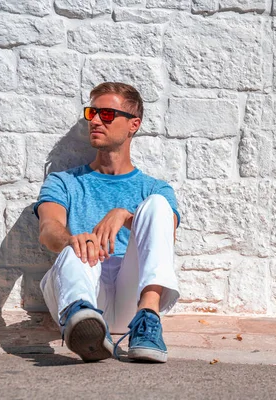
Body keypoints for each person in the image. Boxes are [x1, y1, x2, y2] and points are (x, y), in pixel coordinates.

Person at [34, 82, 180, 363]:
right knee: (75, 248)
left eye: (108, 114)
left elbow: (166, 236)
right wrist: (72, 240)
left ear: (133, 125)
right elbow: (48, 230)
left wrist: (125, 215)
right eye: (92, 113)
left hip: (131, 296)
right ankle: (82, 322)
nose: (96, 120)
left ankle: (148, 320)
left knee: (158, 207)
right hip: (83, 283)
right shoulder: (63, 181)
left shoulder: (155, 189)